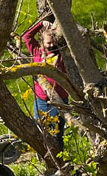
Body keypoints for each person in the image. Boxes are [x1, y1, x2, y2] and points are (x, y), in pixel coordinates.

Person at [21, 17, 71, 154]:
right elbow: (27, 36)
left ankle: (59, 159)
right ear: (42, 42)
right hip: (41, 100)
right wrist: (41, 24)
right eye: (48, 43)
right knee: (41, 130)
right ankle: (46, 158)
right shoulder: (37, 52)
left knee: (56, 133)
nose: (51, 45)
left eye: (53, 42)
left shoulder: (61, 54)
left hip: (59, 99)